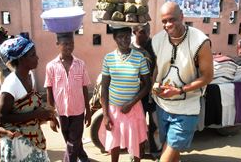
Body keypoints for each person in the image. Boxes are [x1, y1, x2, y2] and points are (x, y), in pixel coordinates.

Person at [151, 2, 213, 162]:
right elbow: (159, 68)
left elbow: (207, 76)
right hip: (163, 106)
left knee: (169, 151)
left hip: (187, 108)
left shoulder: (200, 41)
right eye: (164, 21)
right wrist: (154, 85)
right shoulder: (158, 40)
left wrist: (179, 90)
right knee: (169, 146)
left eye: (172, 19)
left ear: (182, 17)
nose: (168, 25)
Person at [0, 36, 54, 161]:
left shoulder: (30, 76)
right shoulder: (11, 85)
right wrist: (35, 114)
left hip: (32, 137)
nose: (37, 57)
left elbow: (31, 104)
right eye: (33, 55)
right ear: (22, 59)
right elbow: (1, 117)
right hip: (17, 142)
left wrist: (48, 115)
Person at [99, 26, 151, 162]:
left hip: (133, 108)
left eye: (127, 36)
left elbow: (147, 85)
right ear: (114, 38)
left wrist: (131, 103)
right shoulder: (108, 58)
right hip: (114, 109)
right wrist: (105, 115)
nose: (125, 40)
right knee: (114, 141)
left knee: (137, 142)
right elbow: (104, 88)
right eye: (121, 37)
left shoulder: (139, 57)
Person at [44, 32, 91, 162]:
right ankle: (82, 155)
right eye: (65, 44)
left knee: (72, 144)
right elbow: (49, 90)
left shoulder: (80, 64)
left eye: (71, 43)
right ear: (57, 44)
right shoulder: (51, 66)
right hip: (61, 112)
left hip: (78, 111)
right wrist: (51, 116)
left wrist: (88, 111)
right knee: (70, 140)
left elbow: (84, 88)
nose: (69, 46)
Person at [131, 23, 161, 156]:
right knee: (137, 125)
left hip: (154, 95)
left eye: (148, 31)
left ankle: (156, 151)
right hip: (137, 95)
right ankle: (137, 152)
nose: (147, 34)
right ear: (134, 32)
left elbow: (160, 66)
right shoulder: (130, 49)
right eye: (143, 32)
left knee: (156, 124)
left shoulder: (154, 46)